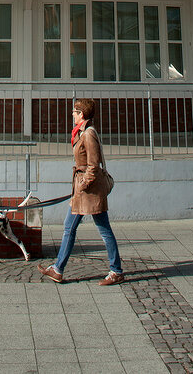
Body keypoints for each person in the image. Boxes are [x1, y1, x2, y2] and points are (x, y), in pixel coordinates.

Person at [37, 98, 124, 285]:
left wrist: (83, 184)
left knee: (103, 229)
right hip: (82, 189)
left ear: (81, 114)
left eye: (74, 112)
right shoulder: (81, 132)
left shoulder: (88, 134)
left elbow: (94, 165)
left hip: (90, 191)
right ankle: (58, 269)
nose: (72, 115)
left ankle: (116, 270)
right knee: (69, 227)